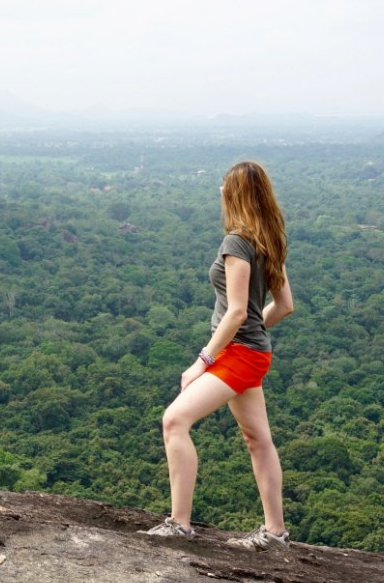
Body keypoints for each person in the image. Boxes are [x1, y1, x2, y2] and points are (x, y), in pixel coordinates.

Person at [141, 161, 295, 552]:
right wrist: (255, 334)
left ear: (235, 196)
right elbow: (284, 306)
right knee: (258, 439)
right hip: (254, 352)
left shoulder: (237, 242)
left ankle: (179, 524)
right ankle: (276, 534)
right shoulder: (270, 240)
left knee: (174, 420)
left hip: (237, 353)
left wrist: (202, 361)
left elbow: (238, 311)